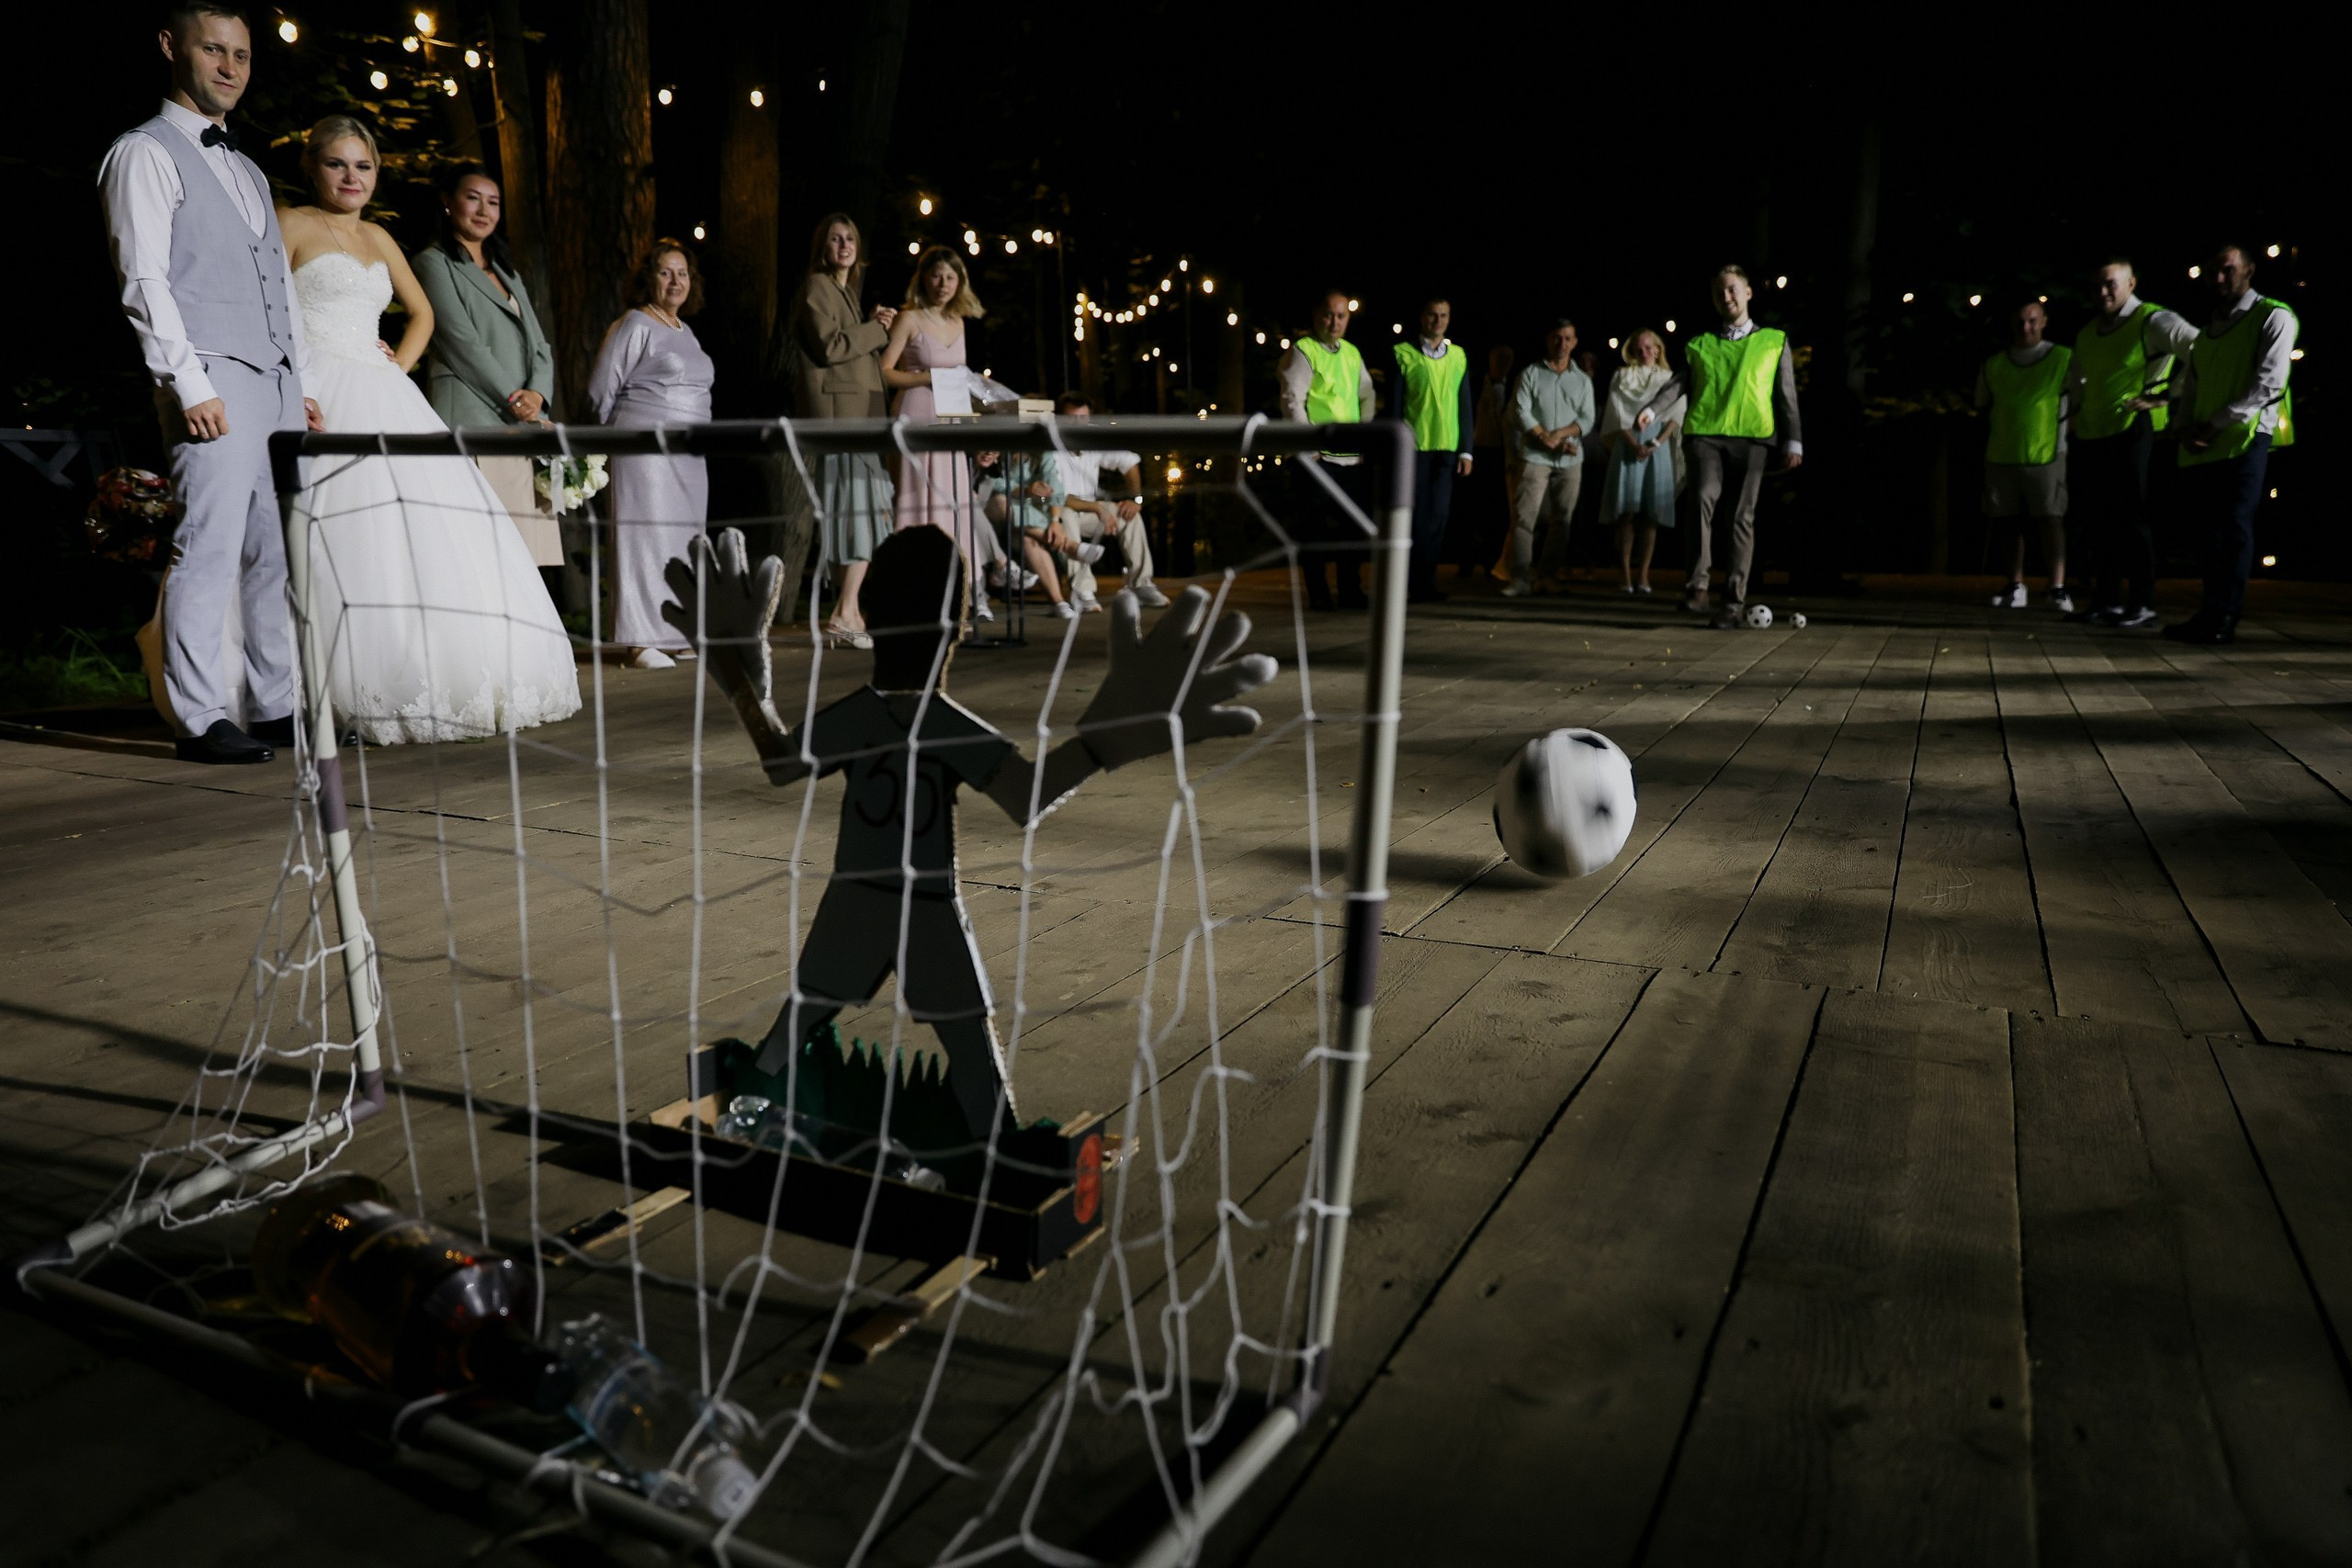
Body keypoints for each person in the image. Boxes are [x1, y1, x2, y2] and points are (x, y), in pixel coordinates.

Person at [663, 524, 1276, 1143]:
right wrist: (1104, 742)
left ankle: (765, 1102)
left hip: (878, 901)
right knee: (941, 1044)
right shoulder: (929, 721)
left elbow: (780, 760)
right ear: (955, 627)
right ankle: (991, 1154)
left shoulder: (877, 717)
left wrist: (744, 680)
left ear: (871, 615)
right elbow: (1027, 795)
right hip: (903, 904)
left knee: (812, 1023)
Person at [277, 116, 580, 745]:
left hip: (379, 384)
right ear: (313, 167)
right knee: (336, 523)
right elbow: (272, 310)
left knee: (426, 526)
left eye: (363, 166)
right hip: (319, 385)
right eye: (337, 164)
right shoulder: (290, 224)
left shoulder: (382, 240)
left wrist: (398, 362)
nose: (351, 177)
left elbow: (422, 313)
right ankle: (312, 684)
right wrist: (296, 380)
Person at [101, 2, 324, 763]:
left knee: (276, 550)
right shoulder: (144, 152)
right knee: (208, 544)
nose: (231, 67)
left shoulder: (252, 168)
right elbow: (145, 281)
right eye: (214, 50)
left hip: (277, 381)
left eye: (242, 54)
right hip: (211, 378)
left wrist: (303, 378)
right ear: (172, 47)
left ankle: (275, 705)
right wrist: (187, 384)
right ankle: (197, 718)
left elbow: (279, 285)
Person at [1633, 265, 1802, 628]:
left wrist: (1795, 439)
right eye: (1719, 293)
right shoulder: (1700, 343)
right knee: (1700, 502)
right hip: (1706, 435)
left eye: (1732, 290)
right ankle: (1697, 589)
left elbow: (1786, 395)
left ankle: (1733, 601)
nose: (1726, 297)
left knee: (1741, 516)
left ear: (1748, 293)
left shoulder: (1774, 340)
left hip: (1753, 437)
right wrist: (1650, 410)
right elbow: (1679, 382)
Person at [410, 164, 560, 569]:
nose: (483, 210)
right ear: (448, 201)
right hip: (476, 414)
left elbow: (539, 343)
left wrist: (538, 395)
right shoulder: (434, 264)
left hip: (523, 420)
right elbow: (462, 343)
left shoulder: (506, 271)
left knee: (526, 553)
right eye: (472, 198)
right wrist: (515, 399)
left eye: (493, 202)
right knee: (487, 554)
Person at [589, 239, 716, 669]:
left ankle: (676, 630)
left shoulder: (688, 332)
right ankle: (639, 640)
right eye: (666, 272)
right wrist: (610, 446)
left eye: (682, 273)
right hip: (645, 449)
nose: (676, 281)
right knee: (643, 535)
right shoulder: (635, 324)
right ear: (649, 278)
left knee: (682, 538)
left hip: (690, 455)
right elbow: (600, 390)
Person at [2163, 245, 2298, 646]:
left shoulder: (2273, 315)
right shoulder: (2207, 333)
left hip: (2245, 438)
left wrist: (2212, 423)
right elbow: (2192, 386)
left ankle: (2224, 615)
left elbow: (2269, 384)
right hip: (2207, 442)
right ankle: (2211, 611)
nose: (2219, 278)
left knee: (2233, 527)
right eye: (2212, 272)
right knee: (2211, 533)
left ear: (2250, 271)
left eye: (2228, 270)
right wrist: (2185, 427)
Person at [2064, 257, 2198, 629]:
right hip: (2093, 432)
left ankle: (2143, 602)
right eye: (2097, 286)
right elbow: (2079, 379)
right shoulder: (2089, 331)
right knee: (2098, 520)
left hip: (2133, 428)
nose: (2103, 292)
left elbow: (2202, 351)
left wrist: (2166, 396)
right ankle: (2105, 599)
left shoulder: (2154, 321)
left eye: (2111, 284)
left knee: (2131, 517)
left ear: (2132, 283)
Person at [790, 212, 897, 649]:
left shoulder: (845, 292)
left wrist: (870, 322)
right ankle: (844, 613)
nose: (844, 245)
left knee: (864, 513)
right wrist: (877, 329)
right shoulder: (817, 286)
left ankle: (847, 611)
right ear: (823, 247)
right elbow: (831, 346)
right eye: (835, 238)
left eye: (850, 238)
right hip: (841, 421)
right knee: (857, 515)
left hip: (860, 420)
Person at [882, 247, 986, 586]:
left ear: (960, 282)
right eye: (937, 275)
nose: (943, 284)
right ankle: (910, 580)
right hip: (916, 412)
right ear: (923, 279)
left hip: (950, 416)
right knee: (915, 493)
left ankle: (957, 584)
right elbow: (885, 372)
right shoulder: (909, 318)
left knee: (951, 493)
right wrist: (928, 378)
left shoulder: (958, 322)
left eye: (951, 277)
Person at [1276, 289, 1378, 609]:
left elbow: (1367, 395)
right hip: (1316, 457)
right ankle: (1319, 594)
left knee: (1352, 528)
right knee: (1315, 530)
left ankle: (1351, 590)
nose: (1334, 322)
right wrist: (1307, 448)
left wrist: (1363, 435)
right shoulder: (1303, 350)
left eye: (1341, 316)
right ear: (1316, 315)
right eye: (1328, 315)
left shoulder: (1351, 353)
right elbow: (1293, 400)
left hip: (1350, 457)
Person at [1976, 299, 2072, 612]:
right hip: (2002, 453)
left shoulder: (2063, 358)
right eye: (2019, 321)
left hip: (2047, 452)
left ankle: (2057, 587)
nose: (2025, 327)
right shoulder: (1994, 363)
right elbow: (1983, 404)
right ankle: (2014, 586)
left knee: (2050, 519)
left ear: (2043, 321)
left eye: (2032, 320)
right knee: (2005, 521)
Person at [1389, 299, 1476, 602]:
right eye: (1432, 314)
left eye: (1443, 315)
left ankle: (1426, 582)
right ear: (1421, 317)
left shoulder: (1458, 356)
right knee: (1416, 519)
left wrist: (1467, 450)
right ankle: (1410, 583)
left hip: (1447, 449)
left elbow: (1464, 405)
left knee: (1439, 517)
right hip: (1414, 449)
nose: (1437, 320)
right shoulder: (1403, 353)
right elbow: (1396, 406)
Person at [1050, 392, 1169, 610]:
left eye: (1083, 418)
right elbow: (1058, 497)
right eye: (1072, 419)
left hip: (1089, 511)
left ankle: (1141, 584)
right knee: (1067, 516)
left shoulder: (1093, 438)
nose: (1078, 424)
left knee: (1129, 516)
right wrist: (1097, 508)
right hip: (1058, 512)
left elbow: (1129, 462)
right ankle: (1082, 590)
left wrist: (1135, 499)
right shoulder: (1050, 445)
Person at [1506, 319, 1597, 597]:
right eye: (1557, 338)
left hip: (1569, 459)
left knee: (1563, 520)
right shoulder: (1531, 373)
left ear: (1575, 342)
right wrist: (1544, 436)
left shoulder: (1582, 379)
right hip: (1535, 454)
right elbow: (1520, 410)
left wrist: (1559, 435)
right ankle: (1520, 578)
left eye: (1568, 338)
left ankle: (1547, 575)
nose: (1562, 344)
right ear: (1548, 340)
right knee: (1524, 517)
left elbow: (1587, 418)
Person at [1598, 329, 1684, 596]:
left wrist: (1656, 443)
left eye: (1649, 347)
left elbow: (1675, 415)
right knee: (1626, 513)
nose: (1645, 353)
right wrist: (1634, 443)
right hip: (1630, 443)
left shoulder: (1668, 378)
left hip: (1657, 444)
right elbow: (1616, 412)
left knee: (1651, 515)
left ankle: (1644, 574)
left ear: (1658, 349)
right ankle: (1625, 575)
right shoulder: (1623, 376)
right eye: (1639, 348)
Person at [1462, 344, 1515, 580]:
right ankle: (1466, 561)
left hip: (1500, 454)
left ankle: (1491, 561)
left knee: (1496, 511)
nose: (1503, 364)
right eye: (1499, 358)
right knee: (1470, 509)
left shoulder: (1513, 387)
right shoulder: (1474, 385)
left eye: (1507, 359)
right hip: (1476, 452)